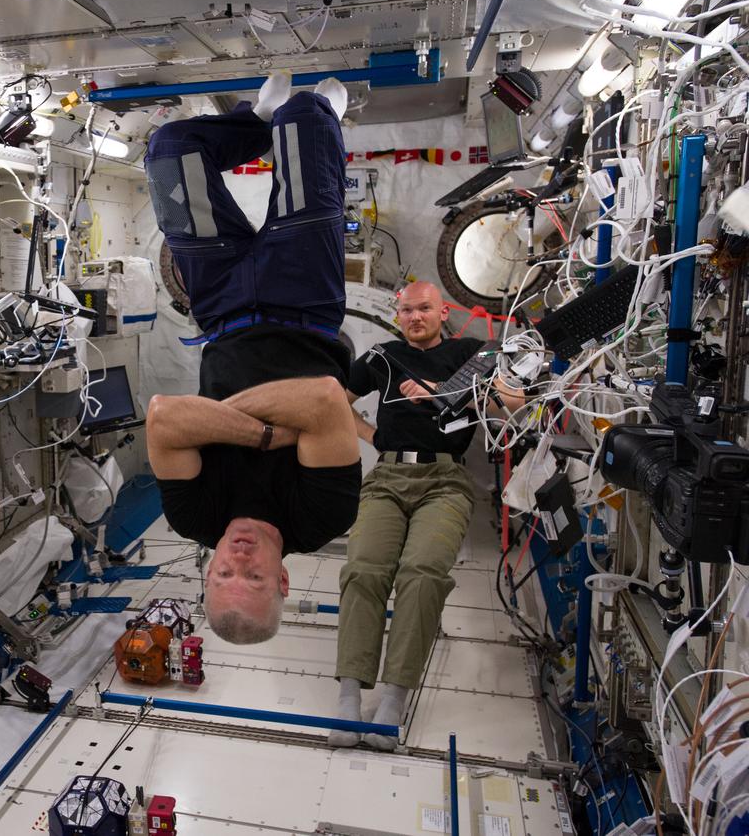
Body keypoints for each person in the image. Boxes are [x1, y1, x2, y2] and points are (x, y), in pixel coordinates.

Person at [144, 72, 362, 646]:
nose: (237, 558)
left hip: (218, 305)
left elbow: (163, 416)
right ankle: (313, 119)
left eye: (223, 572)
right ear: (284, 579)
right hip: (305, 300)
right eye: (255, 575)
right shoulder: (320, 517)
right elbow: (324, 398)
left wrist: (271, 435)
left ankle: (250, 124)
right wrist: (218, 422)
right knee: (307, 115)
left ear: (206, 570)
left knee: (170, 152)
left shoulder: (194, 517)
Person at [331, 280, 525, 749]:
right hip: (388, 477)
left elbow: (514, 406)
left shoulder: (472, 354)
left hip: (446, 481)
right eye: (407, 311)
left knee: (422, 573)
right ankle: (350, 695)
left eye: (424, 309)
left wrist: (448, 393)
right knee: (364, 569)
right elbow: (334, 401)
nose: (415, 317)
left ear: (442, 313)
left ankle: (395, 696)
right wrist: (372, 436)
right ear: (398, 317)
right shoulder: (382, 356)